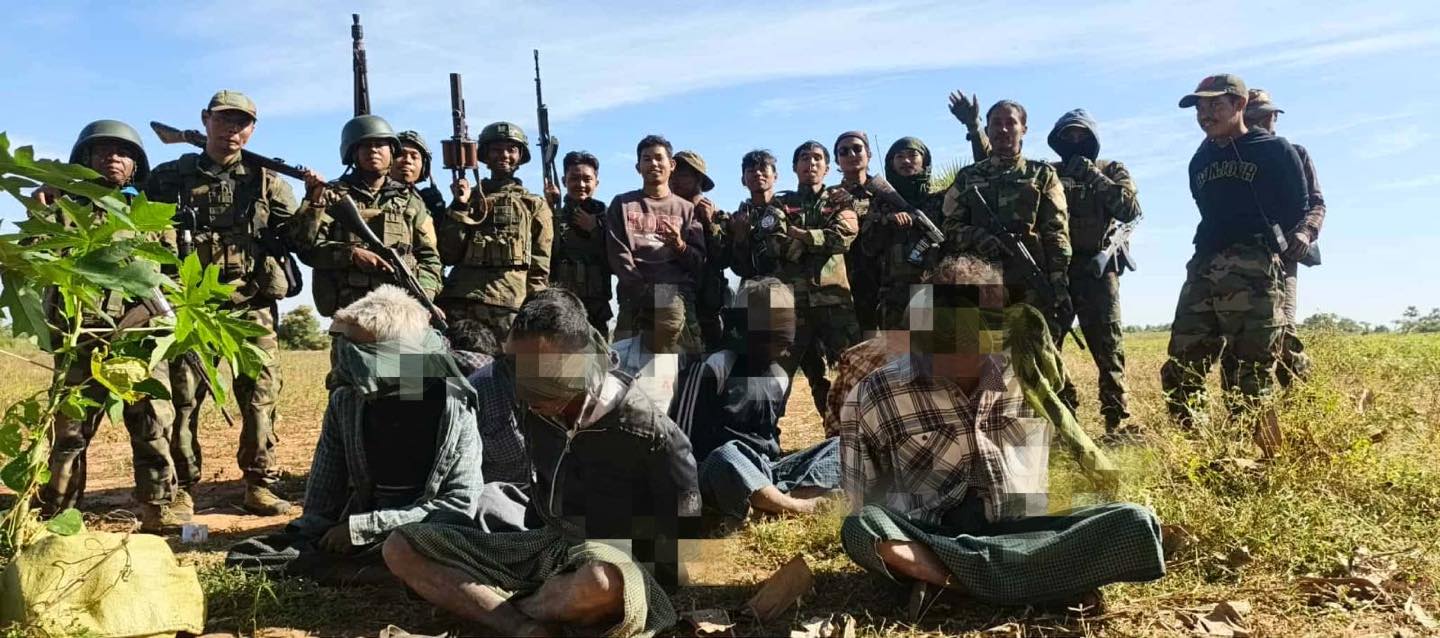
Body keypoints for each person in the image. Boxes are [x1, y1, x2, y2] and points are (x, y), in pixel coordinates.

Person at [838, 255, 1163, 619]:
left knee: (1135, 522)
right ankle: (1023, 585)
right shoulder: (876, 394)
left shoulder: (1026, 376)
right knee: (863, 529)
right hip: (933, 540)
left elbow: (1063, 449)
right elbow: (861, 496)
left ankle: (958, 587)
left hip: (1021, 536)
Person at [383, 288, 699, 638]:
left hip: (614, 559)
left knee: (600, 583)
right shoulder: (535, 402)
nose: (530, 396)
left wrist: (630, 574)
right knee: (401, 547)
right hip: (545, 545)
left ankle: (494, 611)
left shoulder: (654, 436)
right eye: (522, 376)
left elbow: (678, 546)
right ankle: (521, 625)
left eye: (545, 382)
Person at [227, 285, 483, 585]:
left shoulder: (454, 404)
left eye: (355, 351)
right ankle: (376, 573)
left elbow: (459, 505)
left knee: (433, 550)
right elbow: (324, 495)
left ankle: (380, 572)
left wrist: (364, 528)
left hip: (428, 530)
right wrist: (309, 534)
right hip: (364, 530)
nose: (344, 359)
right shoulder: (347, 402)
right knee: (249, 555)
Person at [146, 90, 299, 516]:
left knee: (261, 393)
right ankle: (182, 487)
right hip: (191, 305)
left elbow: (301, 238)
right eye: (224, 119)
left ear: (252, 130)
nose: (233, 129)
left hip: (251, 304)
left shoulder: (267, 180)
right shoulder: (169, 177)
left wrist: (318, 204)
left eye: (242, 123)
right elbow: (127, 209)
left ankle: (259, 483)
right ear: (205, 120)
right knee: (183, 397)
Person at [36, 120, 185, 532]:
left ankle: (158, 508)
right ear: (84, 159)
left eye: (123, 153)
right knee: (69, 433)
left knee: (153, 425)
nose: (112, 158)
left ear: (136, 165)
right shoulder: (63, 210)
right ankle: (58, 512)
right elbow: (33, 261)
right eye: (102, 151)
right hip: (80, 338)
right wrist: (41, 211)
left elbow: (174, 278)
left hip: (138, 341)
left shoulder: (151, 217)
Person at [1161, 74, 1308, 442]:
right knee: (1182, 367)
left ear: (1240, 105)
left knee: (1248, 373)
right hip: (1204, 265)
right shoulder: (1200, 159)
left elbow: (1297, 207)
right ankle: (1198, 450)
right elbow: (1205, 207)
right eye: (1199, 107)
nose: (1205, 114)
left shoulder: (1275, 150)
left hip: (1255, 269)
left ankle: (1260, 455)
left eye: (1215, 105)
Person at [671, 278, 840, 522]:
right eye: (777, 342)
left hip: (765, 470)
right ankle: (794, 505)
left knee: (841, 447)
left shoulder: (779, 377)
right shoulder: (717, 366)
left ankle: (772, 503)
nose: (784, 351)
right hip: (717, 471)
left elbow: (769, 437)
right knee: (726, 455)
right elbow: (681, 440)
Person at [734, 141, 861, 415]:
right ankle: (766, 432)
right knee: (776, 377)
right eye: (804, 158)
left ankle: (851, 431)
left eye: (817, 158)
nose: (811, 163)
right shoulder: (780, 203)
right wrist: (820, 239)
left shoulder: (841, 200)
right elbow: (775, 244)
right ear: (794, 167)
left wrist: (802, 235)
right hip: (790, 307)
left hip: (835, 304)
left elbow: (843, 238)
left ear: (827, 167)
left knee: (853, 375)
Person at [1045, 109, 1143, 436]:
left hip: (1098, 270)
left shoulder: (1110, 169)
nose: (1075, 141)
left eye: (1081, 135)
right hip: (1055, 271)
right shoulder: (1048, 172)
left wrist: (1093, 176)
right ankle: (1063, 419)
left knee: (1109, 349)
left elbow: (1130, 209)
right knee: (1047, 347)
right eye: (1068, 135)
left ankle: (1116, 423)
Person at [1220, 88, 1324, 389]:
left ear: (1275, 117)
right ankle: (1241, 406)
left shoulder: (1293, 153)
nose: (1263, 122)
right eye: (1255, 117)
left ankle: (1301, 397)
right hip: (1237, 258)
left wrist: (1305, 232)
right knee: (1235, 335)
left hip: (1281, 255)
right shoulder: (1226, 155)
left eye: (1267, 116)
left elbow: (1316, 203)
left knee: (1283, 330)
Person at [292, 115, 443, 318]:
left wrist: (424, 297)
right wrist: (351, 254)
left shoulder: (411, 201)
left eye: (380, 145)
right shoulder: (332, 195)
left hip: (399, 313)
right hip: (349, 312)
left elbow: (430, 258)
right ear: (353, 153)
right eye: (365, 145)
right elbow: (305, 247)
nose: (373, 150)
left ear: (392, 151)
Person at [436, 121, 554, 338]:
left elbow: (540, 266)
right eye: (496, 150)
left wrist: (533, 310)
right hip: (460, 301)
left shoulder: (534, 204)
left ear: (520, 156)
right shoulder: (469, 197)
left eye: (511, 149)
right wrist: (459, 205)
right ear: (484, 155)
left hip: (508, 305)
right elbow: (448, 254)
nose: (504, 155)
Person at [605, 135, 706, 352]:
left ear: (672, 165)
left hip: (676, 300)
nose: (653, 164)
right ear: (638, 167)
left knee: (679, 368)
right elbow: (617, 253)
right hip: (634, 300)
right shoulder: (622, 204)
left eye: (659, 158)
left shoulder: (687, 209)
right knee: (626, 366)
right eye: (647, 159)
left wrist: (679, 245)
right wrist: (642, 290)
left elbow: (698, 261)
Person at [860, 137, 946, 330]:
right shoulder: (880, 204)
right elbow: (868, 248)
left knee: (933, 347)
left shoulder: (940, 201)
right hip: (895, 295)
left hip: (935, 292)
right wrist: (887, 221)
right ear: (891, 163)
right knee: (898, 348)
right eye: (899, 156)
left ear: (924, 161)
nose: (906, 161)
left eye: (913, 155)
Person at [545, 150, 614, 338]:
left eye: (587, 179)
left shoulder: (608, 216)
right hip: (560, 305)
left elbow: (616, 261)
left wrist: (595, 230)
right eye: (574, 179)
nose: (581, 184)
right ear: (564, 181)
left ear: (596, 182)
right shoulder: (553, 214)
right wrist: (548, 207)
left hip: (596, 308)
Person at [669, 150, 731, 351]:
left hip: (707, 303)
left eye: (682, 175)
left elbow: (724, 259)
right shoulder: (666, 213)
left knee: (710, 356)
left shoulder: (718, 216)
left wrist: (709, 224)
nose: (674, 180)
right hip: (672, 299)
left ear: (698, 179)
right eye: (672, 175)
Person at [611, 289, 689, 415]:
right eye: (666, 331)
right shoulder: (616, 357)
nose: (672, 337)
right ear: (646, 325)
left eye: (675, 330)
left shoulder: (679, 361)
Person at [833, 131, 882, 333]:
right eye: (844, 151)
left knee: (900, 345)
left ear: (868, 153)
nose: (851, 154)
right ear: (836, 160)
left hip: (888, 282)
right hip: (848, 286)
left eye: (857, 148)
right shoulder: (830, 197)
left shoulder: (886, 192)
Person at [390, 129, 449, 219]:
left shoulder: (424, 202)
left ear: (423, 166)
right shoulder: (373, 193)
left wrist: (440, 213)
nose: (408, 160)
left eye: (414, 157)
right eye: (401, 154)